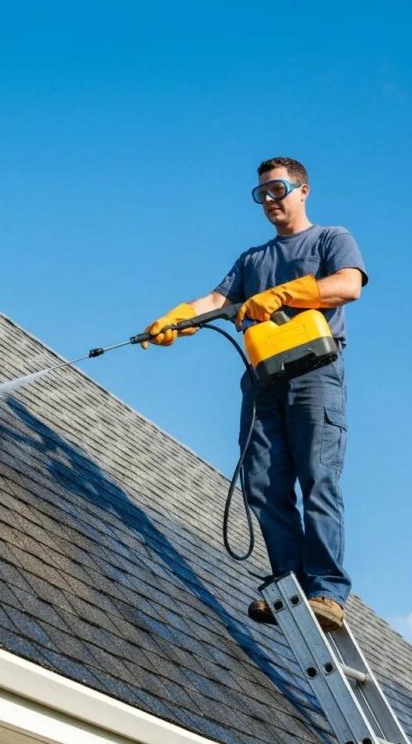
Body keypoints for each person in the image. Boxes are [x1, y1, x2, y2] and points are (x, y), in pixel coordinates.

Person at [142, 156, 367, 632]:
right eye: (261, 194)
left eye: (278, 190)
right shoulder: (251, 260)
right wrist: (175, 319)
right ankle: (288, 584)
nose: (269, 201)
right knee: (263, 484)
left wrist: (285, 295)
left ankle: (326, 591)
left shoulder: (330, 238)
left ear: (302, 191)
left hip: (315, 374)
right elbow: (216, 302)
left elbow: (348, 286)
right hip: (264, 377)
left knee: (317, 477)